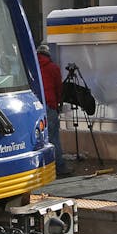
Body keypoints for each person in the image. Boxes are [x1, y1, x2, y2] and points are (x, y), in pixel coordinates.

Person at [36, 44, 68, 175]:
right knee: (54, 138)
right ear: (48, 55)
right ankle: (59, 168)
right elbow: (58, 89)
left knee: (38, 140)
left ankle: (40, 169)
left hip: (35, 107)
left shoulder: (32, 67)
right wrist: (58, 104)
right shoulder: (53, 68)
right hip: (49, 105)